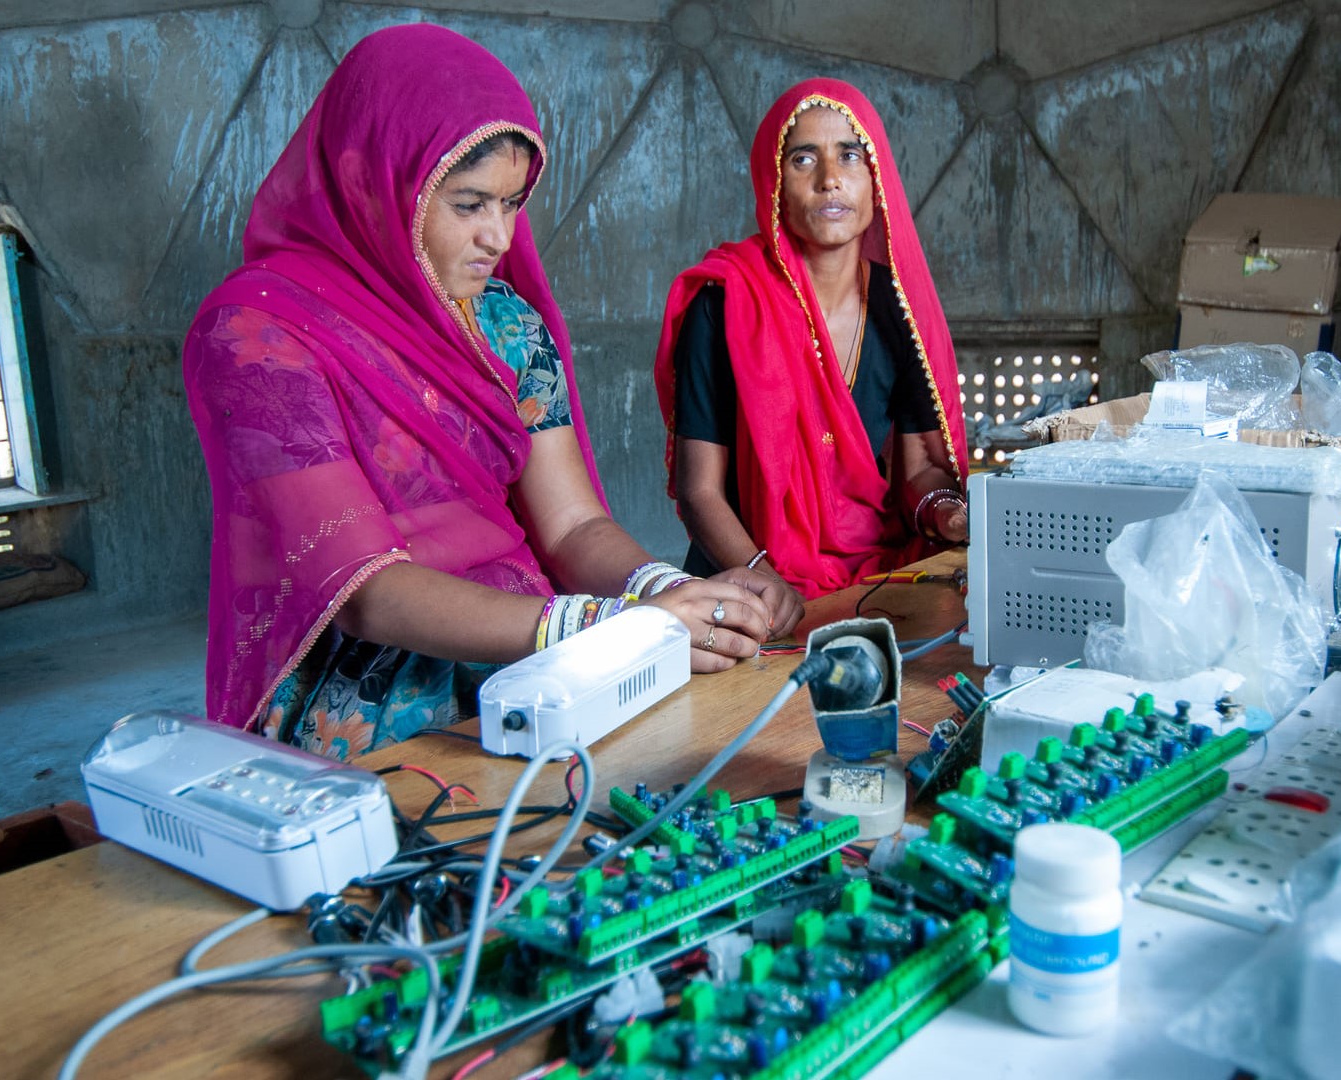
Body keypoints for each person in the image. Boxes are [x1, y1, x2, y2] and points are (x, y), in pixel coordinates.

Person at [183, 25, 781, 760]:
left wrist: (660, 590)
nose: (499, 237)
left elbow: (569, 527)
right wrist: (607, 627)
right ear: (371, 181)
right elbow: (368, 591)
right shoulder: (257, 336)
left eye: (512, 203)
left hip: (540, 647)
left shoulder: (505, 324)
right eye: (469, 204)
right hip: (370, 691)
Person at [654, 78, 971, 629]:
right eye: (804, 159)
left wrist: (948, 514)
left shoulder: (900, 308)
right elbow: (699, 489)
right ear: (773, 181)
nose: (830, 180)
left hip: (873, 583)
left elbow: (920, 468)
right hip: (749, 585)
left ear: (877, 179)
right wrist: (762, 576)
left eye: (850, 155)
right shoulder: (726, 300)